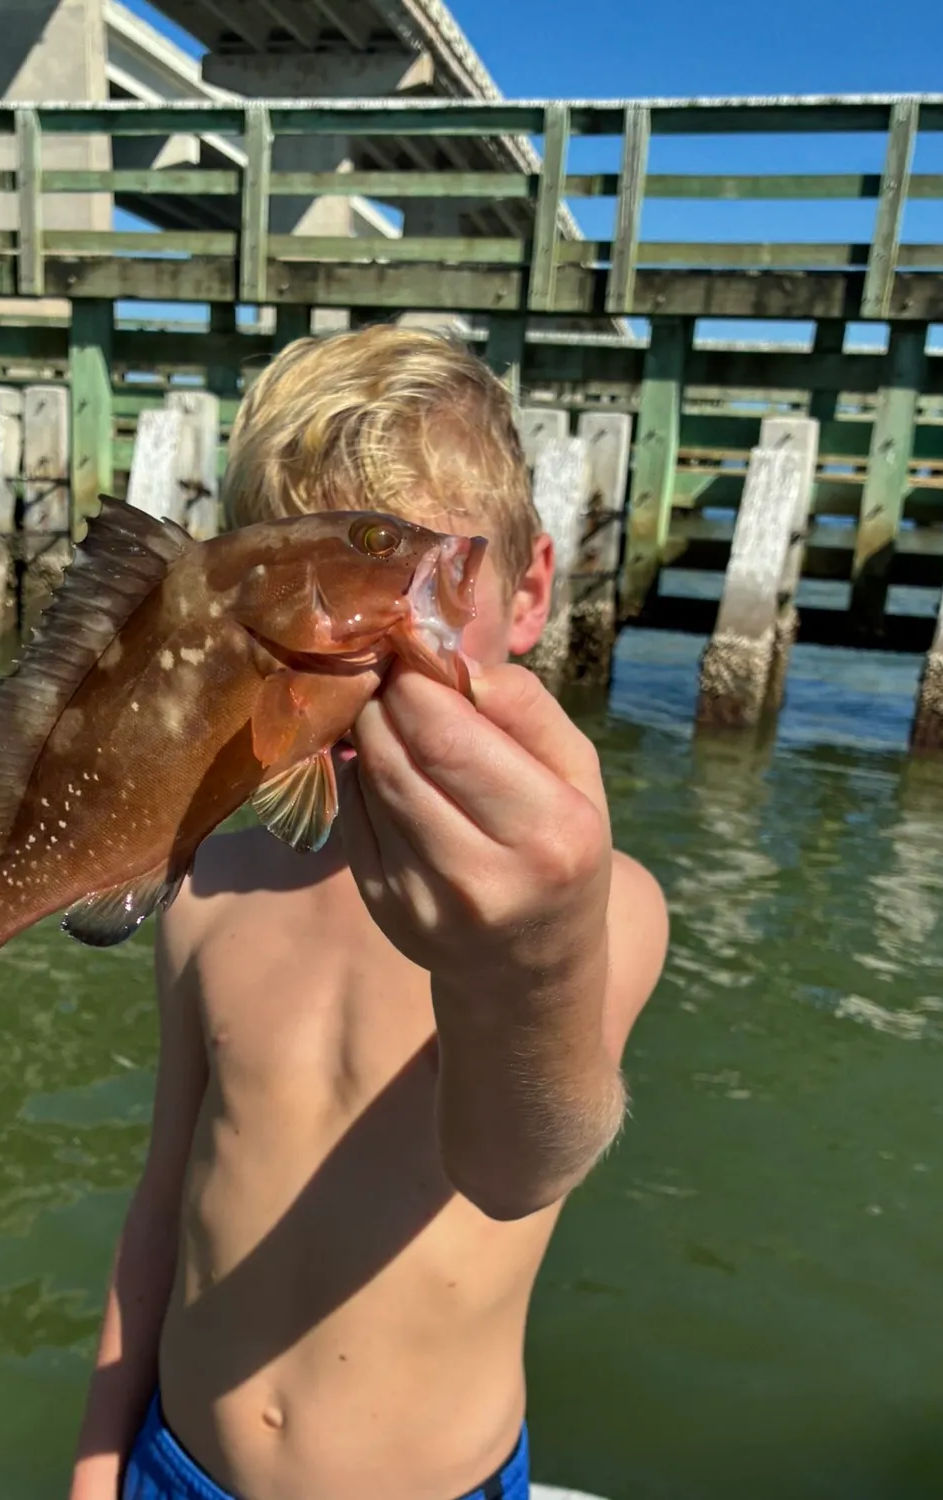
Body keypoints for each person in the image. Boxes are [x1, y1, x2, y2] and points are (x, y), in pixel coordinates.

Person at [67, 325, 669, 1500]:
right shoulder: (208, 887)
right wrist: (99, 1466)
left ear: (530, 591)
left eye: (418, 582)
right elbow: (161, 1211)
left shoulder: (599, 905)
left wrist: (531, 963)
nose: (371, 635)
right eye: (312, 601)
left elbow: (521, 1163)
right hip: (175, 1467)